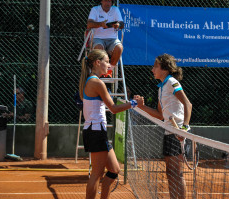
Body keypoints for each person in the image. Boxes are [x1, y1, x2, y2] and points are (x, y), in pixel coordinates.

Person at [79, 49, 143, 199]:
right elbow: (113, 109)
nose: (109, 65)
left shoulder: (92, 81)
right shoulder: (96, 82)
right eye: (107, 61)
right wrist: (134, 103)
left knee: (114, 170)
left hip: (96, 131)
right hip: (95, 131)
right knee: (96, 174)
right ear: (97, 62)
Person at [135, 53, 192, 199]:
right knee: (170, 172)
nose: (152, 69)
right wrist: (142, 107)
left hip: (178, 133)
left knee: (177, 173)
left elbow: (188, 104)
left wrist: (184, 128)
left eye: (155, 66)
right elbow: (159, 115)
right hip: (168, 132)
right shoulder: (161, 87)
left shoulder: (172, 82)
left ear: (164, 69)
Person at [87, 0, 124, 78]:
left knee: (119, 47)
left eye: (110, 1)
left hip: (112, 39)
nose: (108, 3)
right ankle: (99, 72)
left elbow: (122, 24)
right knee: (98, 48)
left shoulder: (115, 9)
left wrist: (118, 24)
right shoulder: (95, 9)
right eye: (106, 1)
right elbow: (89, 24)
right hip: (97, 38)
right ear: (101, 1)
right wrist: (101, 24)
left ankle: (109, 71)